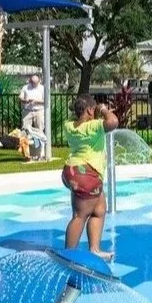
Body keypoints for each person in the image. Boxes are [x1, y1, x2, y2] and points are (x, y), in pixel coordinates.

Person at [61, 95, 119, 260]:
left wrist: (93, 111)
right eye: (93, 109)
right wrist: (104, 110)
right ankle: (68, 255)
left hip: (72, 170)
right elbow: (113, 122)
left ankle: (95, 249)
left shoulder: (69, 125)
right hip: (86, 174)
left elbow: (81, 120)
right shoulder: (93, 126)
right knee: (80, 215)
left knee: (99, 209)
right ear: (89, 110)